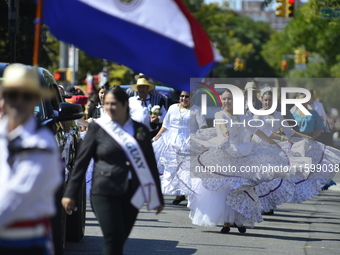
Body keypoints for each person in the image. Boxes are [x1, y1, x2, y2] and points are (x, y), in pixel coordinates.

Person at [179, 89, 316, 234]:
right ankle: (226, 222)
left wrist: (274, 142)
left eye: (229, 99)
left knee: (241, 188)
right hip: (225, 154)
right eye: (224, 99)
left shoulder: (243, 117)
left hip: (243, 154)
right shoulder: (220, 114)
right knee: (226, 189)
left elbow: (259, 131)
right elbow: (222, 125)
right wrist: (225, 132)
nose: (226, 102)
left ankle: (238, 220)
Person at [61, 87, 164, 255]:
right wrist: (70, 193)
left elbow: (150, 165)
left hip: (133, 194)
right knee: (113, 239)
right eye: (106, 103)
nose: (109, 107)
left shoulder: (140, 130)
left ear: (124, 105)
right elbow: (81, 163)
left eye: (113, 104)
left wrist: (156, 196)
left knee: (119, 240)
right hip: (104, 191)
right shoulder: (98, 128)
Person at [0, 63, 62, 254]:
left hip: (25, 244)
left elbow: (17, 197)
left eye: (26, 96)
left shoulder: (42, 144)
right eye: (12, 94)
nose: (18, 101)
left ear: (36, 98)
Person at [153, 91, 207, 204]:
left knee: (186, 169)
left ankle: (188, 194)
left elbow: (203, 125)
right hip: (171, 140)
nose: (184, 98)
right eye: (182, 96)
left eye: (187, 96)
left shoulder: (196, 109)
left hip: (188, 141)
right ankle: (178, 193)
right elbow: (166, 125)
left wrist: (202, 135)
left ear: (192, 97)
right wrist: (157, 136)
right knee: (172, 167)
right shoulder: (173, 107)